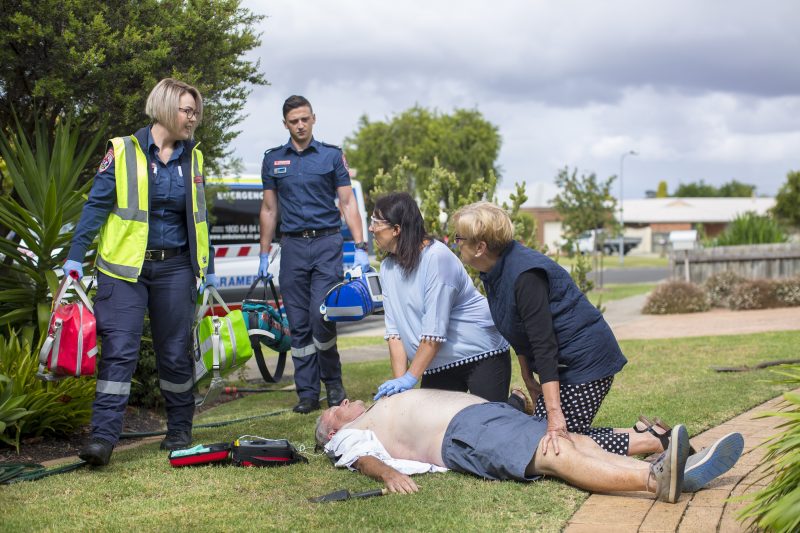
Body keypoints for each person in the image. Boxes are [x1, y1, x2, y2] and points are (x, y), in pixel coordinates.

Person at [63, 78, 217, 466]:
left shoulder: (193, 157)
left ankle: (180, 429)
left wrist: (207, 267)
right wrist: (75, 256)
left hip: (177, 268)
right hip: (125, 271)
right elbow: (95, 208)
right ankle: (102, 440)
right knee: (119, 352)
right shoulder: (122, 151)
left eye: (195, 111)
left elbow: (199, 217)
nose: (192, 118)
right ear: (165, 109)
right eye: (186, 110)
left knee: (175, 352)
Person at [450, 202, 670, 457]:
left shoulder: (524, 275)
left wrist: (555, 414)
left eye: (458, 238)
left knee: (552, 443)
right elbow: (517, 328)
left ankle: (654, 442)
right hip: (563, 364)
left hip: (585, 363)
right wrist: (529, 377)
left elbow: (544, 344)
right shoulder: (495, 270)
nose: (456, 244)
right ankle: (643, 433)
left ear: (480, 247)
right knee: (542, 436)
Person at [315, 390, 745, 503]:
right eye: (336, 408)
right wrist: (388, 474)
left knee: (569, 440)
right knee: (556, 456)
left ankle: (670, 470)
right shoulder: (350, 436)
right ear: (331, 432)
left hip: (481, 419)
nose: (344, 402)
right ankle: (655, 479)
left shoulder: (374, 406)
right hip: (462, 433)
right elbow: (359, 458)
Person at [259, 95, 369, 414]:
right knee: (298, 323)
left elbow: (348, 203)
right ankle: (307, 393)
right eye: (294, 121)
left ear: (313, 119)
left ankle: (333, 383)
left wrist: (360, 247)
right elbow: (268, 208)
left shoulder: (332, 157)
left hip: (326, 244)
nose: (300, 125)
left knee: (322, 317)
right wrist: (264, 255)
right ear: (286, 124)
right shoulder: (273, 160)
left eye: (305, 118)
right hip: (292, 247)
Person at [369, 193, 511, 402]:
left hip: (480, 352)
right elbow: (394, 333)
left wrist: (410, 377)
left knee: (490, 423)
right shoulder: (387, 268)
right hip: (435, 362)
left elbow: (434, 332)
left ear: (397, 229)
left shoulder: (436, 257)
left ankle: (516, 401)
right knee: (438, 431)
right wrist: (400, 389)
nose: (371, 228)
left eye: (376, 222)